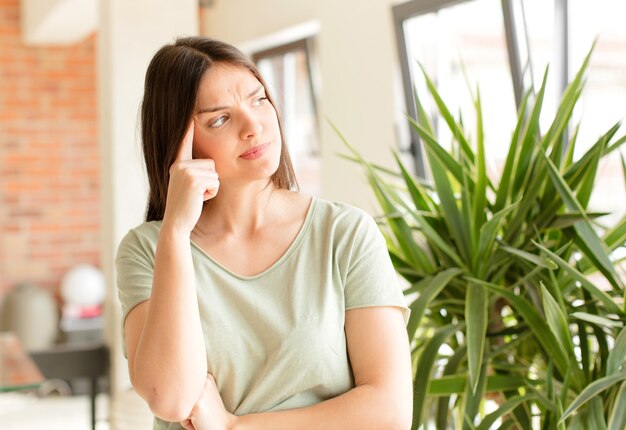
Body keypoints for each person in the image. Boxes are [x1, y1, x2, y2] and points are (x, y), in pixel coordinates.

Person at [116, 36, 412, 430]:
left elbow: (389, 412)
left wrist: (234, 426)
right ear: (179, 143)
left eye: (259, 100)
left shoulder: (345, 234)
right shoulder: (148, 249)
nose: (254, 125)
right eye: (220, 119)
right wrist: (175, 231)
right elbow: (170, 398)